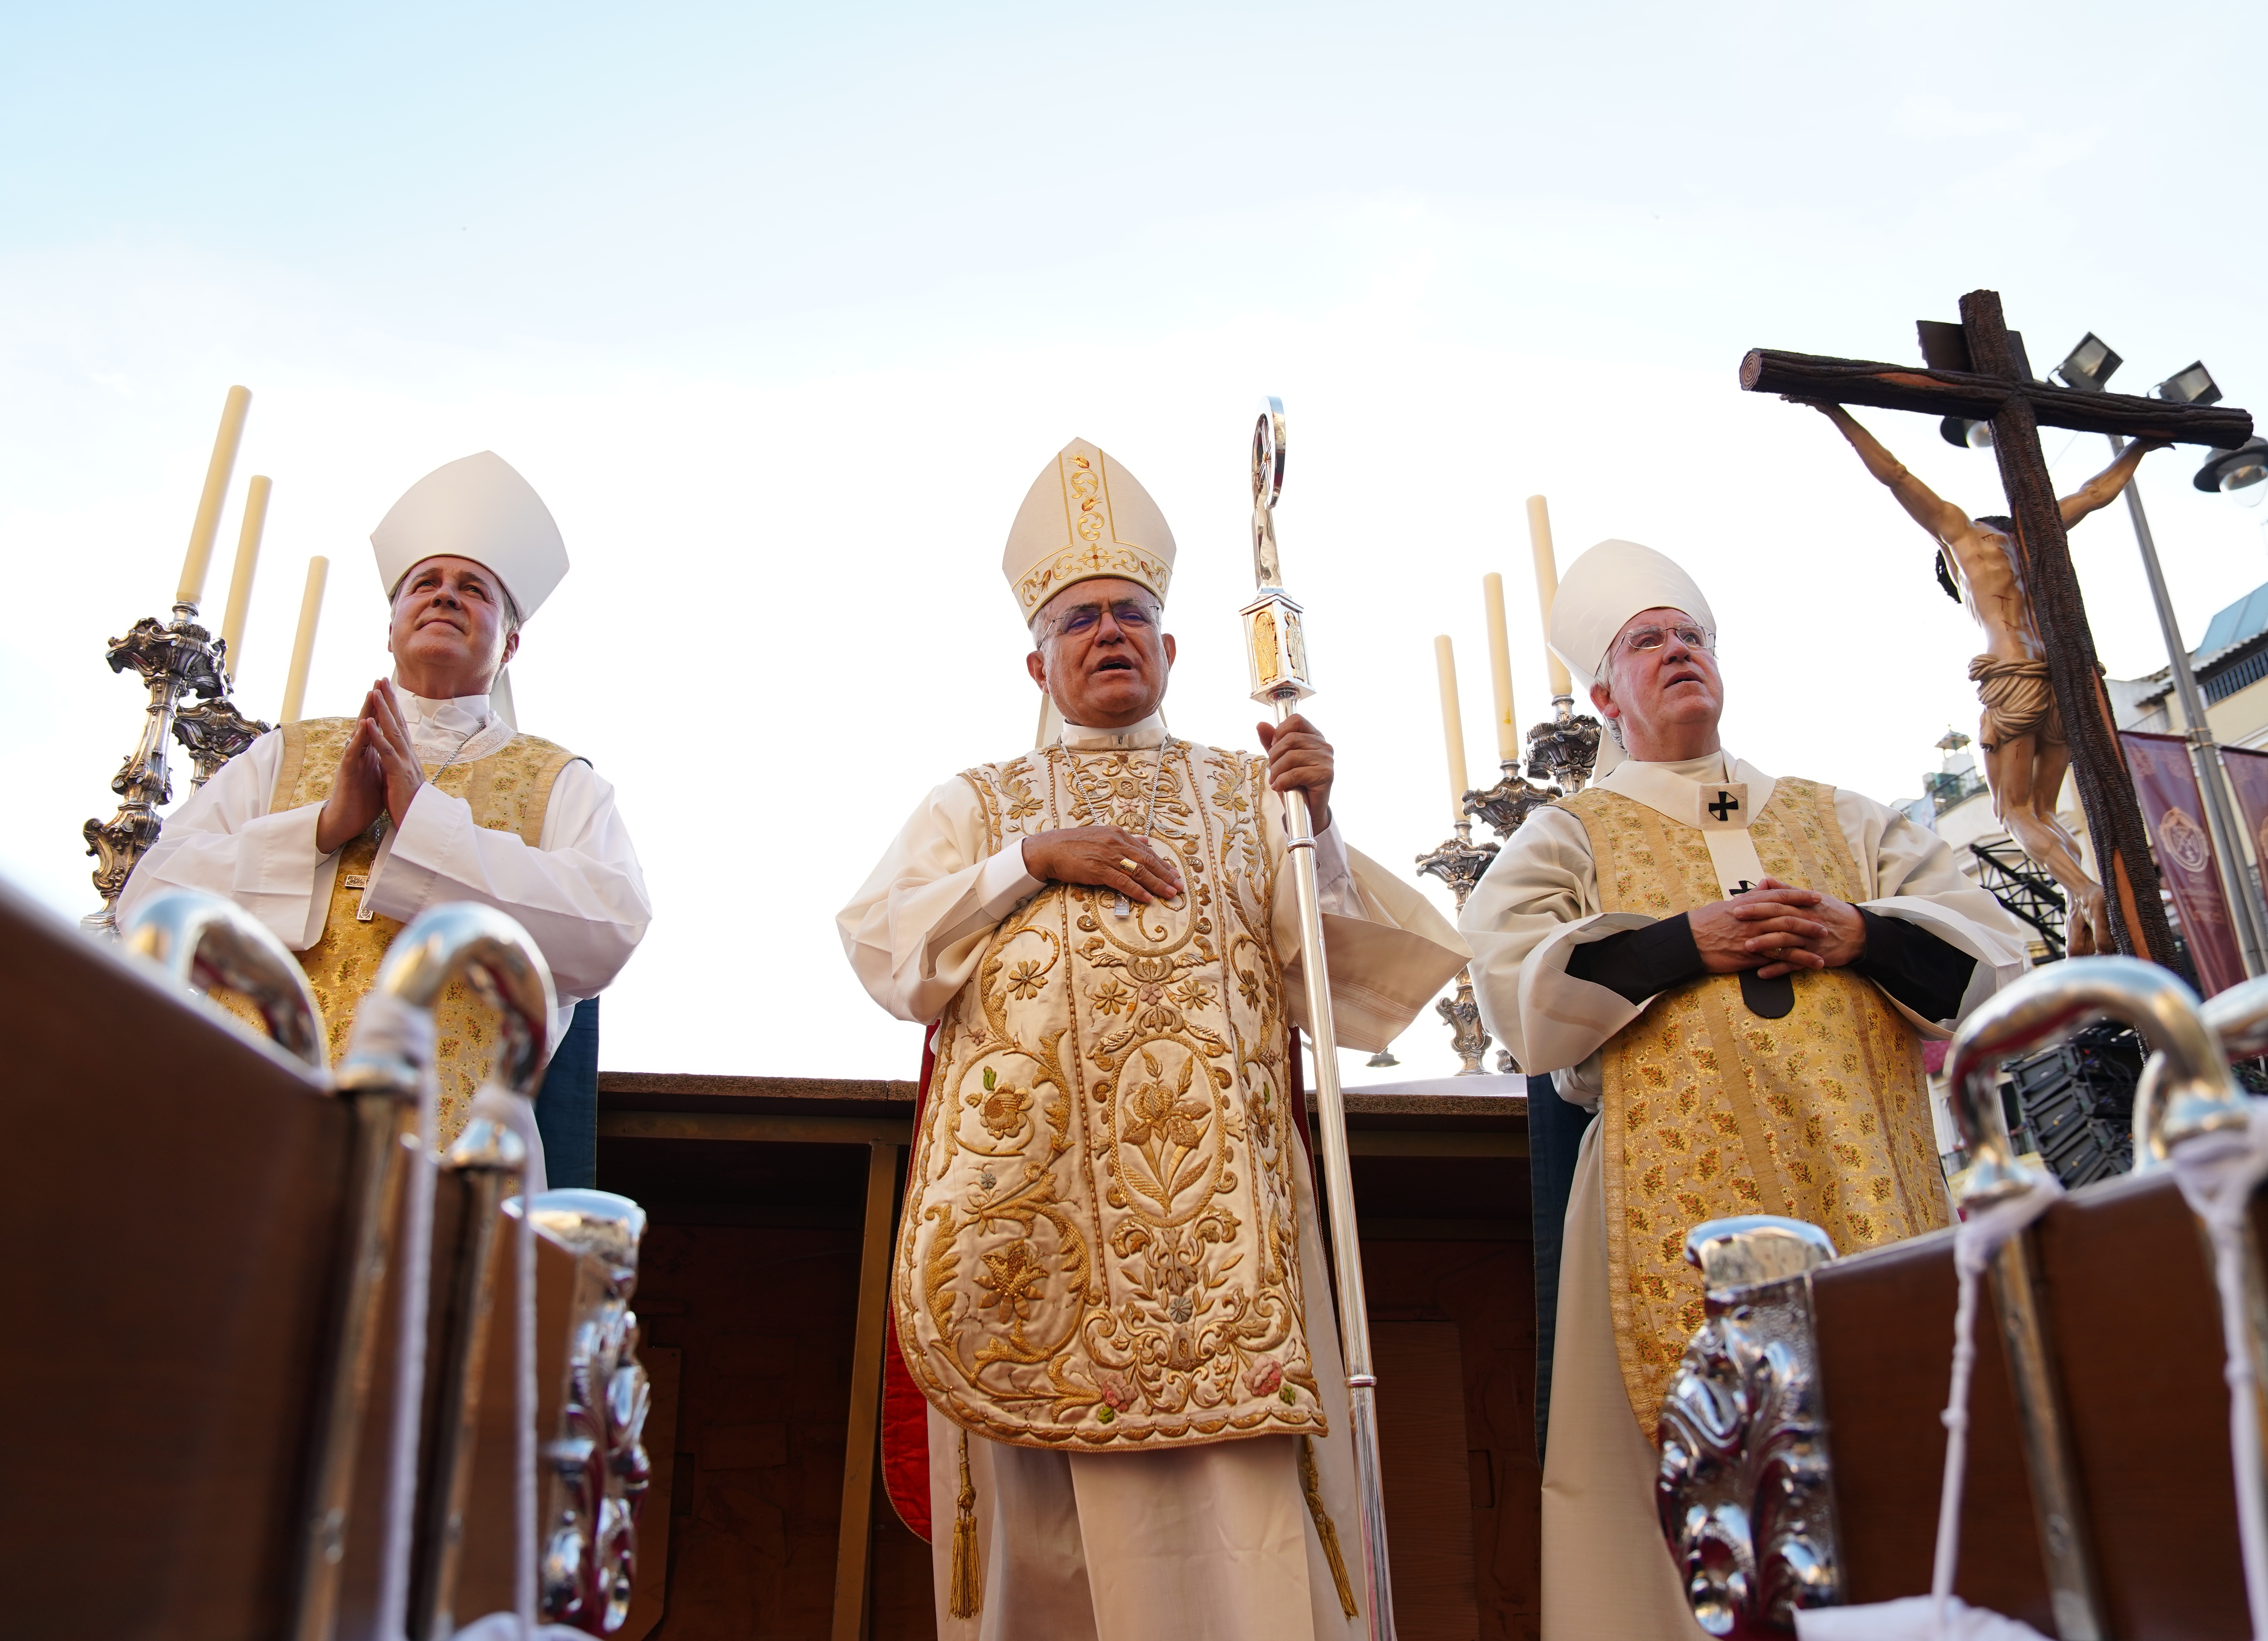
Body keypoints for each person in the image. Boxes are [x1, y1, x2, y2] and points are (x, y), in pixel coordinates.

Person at [839, 437, 1466, 1640]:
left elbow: (1337, 986)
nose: (1109, 632)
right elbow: (884, 953)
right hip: (1035, 1244)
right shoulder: (977, 804)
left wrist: (1316, 828)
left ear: (1172, 649)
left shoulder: (1249, 794)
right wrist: (1027, 862)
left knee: (1256, 1546)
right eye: (1081, 620)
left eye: (1132, 613)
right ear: (1038, 658)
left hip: (1232, 1256)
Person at [1459, 538, 2030, 1640]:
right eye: (1647, 642)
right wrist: (1683, 941)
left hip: (1865, 1180)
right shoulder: (1568, 834)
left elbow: (1998, 956)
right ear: (1602, 695)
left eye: (1693, 637)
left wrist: (1864, 931)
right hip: (1656, 1214)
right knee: (1665, 1481)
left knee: (1899, 1439)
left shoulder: (1851, 820)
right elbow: (1510, 983)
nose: (1678, 652)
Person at [122, 451, 652, 1158]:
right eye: (424, 583)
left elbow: (610, 928)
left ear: (512, 643)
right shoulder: (286, 754)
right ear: (392, 623)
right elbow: (148, 906)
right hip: (248, 1122)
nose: (444, 595)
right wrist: (321, 828)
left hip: (446, 1145)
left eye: (475, 588)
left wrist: (425, 824)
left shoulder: (559, 781)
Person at [1793, 398, 2166, 954]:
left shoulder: (1961, 540)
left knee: (2014, 812)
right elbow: (2095, 494)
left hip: (2013, 675)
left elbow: (1894, 474)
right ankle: (2077, 903)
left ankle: (2088, 893)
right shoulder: (2035, 537)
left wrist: (1833, 409)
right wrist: (2141, 446)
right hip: (2064, 681)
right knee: (2047, 808)